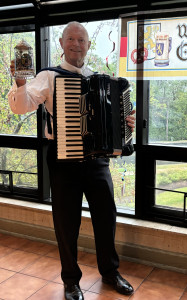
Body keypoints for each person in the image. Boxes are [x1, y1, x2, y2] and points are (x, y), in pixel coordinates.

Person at [8, 21, 135, 300]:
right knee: (66, 223)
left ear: (88, 45)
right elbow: (22, 106)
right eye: (71, 39)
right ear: (62, 44)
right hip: (63, 160)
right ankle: (71, 281)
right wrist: (19, 82)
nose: (76, 44)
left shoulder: (102, 80)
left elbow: (118, 122)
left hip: (97, 162)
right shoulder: (49, 76)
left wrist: (127, 124)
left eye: (81, 40)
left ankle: (111, 273)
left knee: (106, 218)